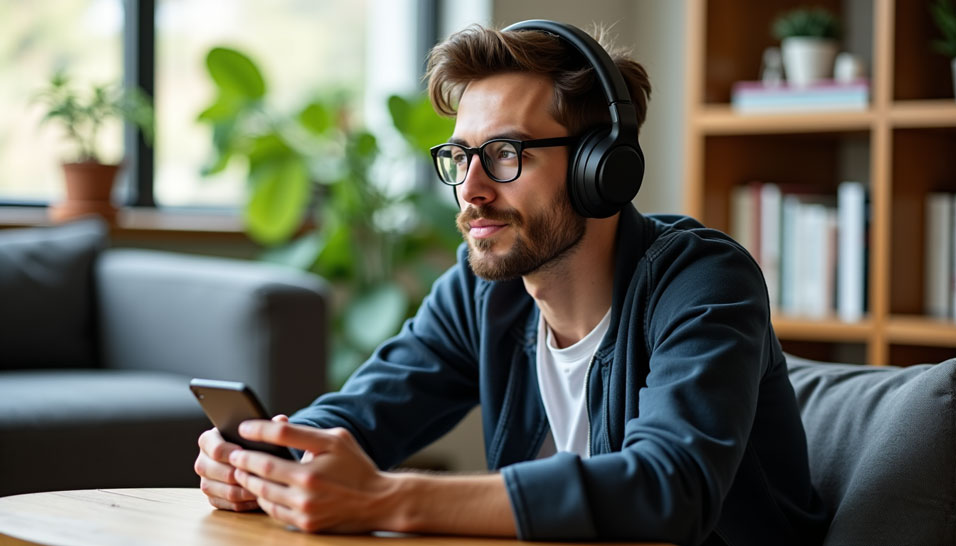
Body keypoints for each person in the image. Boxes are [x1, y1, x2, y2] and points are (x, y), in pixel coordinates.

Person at [194, 21, 829, 545]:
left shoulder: (703, 281)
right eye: (460, 156)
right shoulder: (482, 295)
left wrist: (388, 499)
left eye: (505, 153)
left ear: (599, 168)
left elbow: (668, 490)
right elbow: (360, 415)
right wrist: (269, 461)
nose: (471, 189)